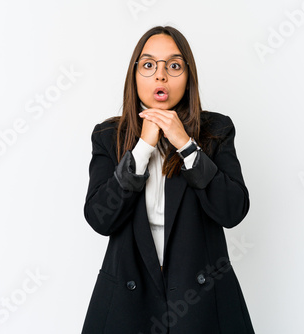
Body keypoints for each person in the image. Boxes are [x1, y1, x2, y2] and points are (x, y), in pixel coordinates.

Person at [81, 25, 255, 334]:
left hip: (201, 301)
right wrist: (143, 148)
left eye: (173, 66)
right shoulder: (108, 136)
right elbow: (100, 218)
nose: (161, 75)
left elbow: (233, 210)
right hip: (127, 301)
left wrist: (187, 145)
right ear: (134, 77)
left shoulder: (216, 130)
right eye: (149, 65)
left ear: (188, 77)